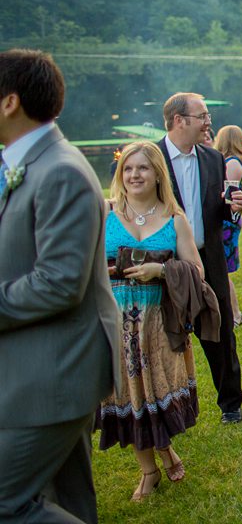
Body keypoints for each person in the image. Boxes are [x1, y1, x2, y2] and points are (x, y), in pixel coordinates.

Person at [0, 49, 122, 523]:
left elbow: (59, 283)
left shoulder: (62, 172)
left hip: (55, 370)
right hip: (37, 367)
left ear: (10, 102)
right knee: (68, 500)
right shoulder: (27, 166)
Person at [97, 142, 204, 501]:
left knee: (156, 394)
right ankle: (148, 471)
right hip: (115, 324)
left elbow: (197, 272)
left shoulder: (175, 218)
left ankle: (166, 449)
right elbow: (85, 265)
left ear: (157, 173)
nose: (134, 175)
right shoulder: (107, 212)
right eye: (127, 169)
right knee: (126, 396)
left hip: (159, 324)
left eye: (142, 168)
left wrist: (161, 270)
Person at [157, 93, 242, 424]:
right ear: (180, 120)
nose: (209, 122)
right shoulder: (153, 158)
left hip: (210, 258)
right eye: (203, 116)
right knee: (167, 332)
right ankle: (166, 405)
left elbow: (216, 208)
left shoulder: (212, 159)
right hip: (166, 262)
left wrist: (231, 207)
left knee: (220, 329)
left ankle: (231, 404)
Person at [214, 125, 242, 326]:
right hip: (224, 219)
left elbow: (230, 196)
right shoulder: (225, 161)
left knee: (223, 270)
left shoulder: (233, 163)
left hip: (228, 221)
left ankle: (235, 314)